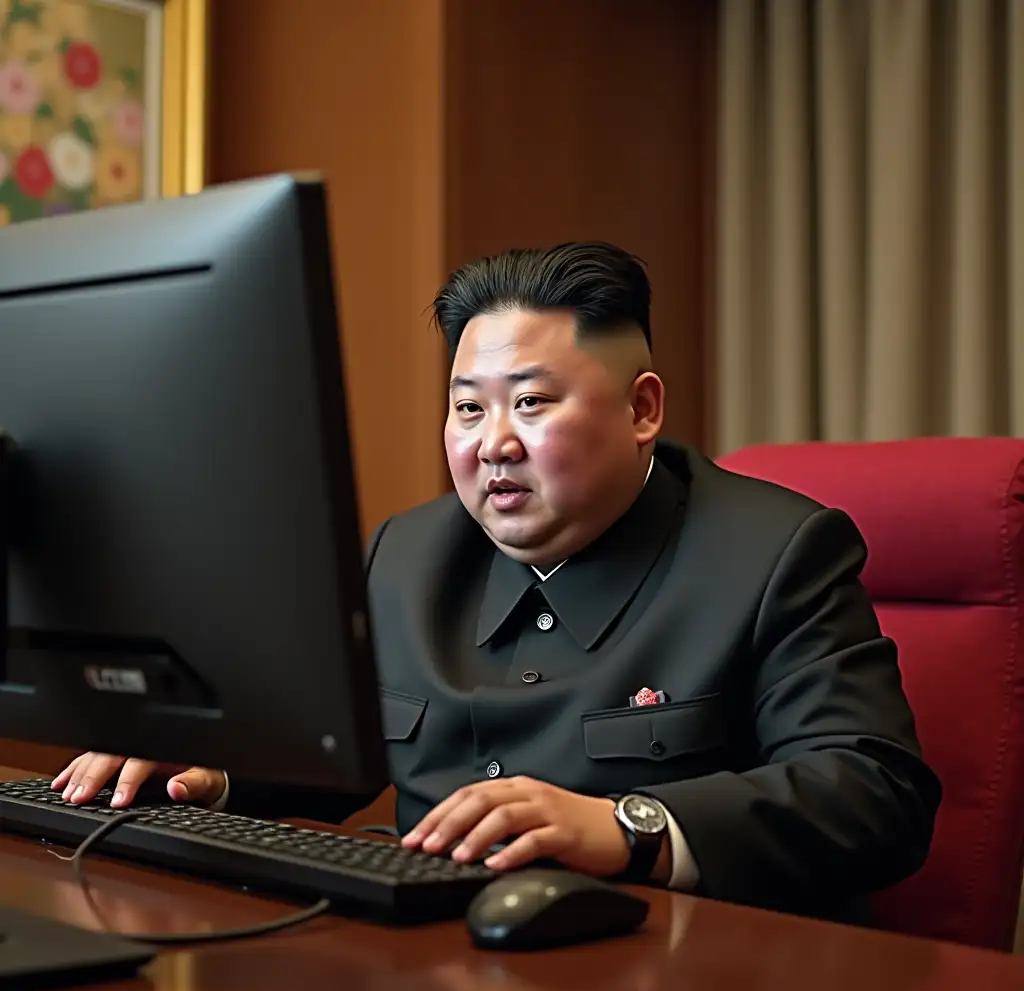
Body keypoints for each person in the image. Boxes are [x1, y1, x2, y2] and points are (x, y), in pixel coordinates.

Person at [51, 242, 941, 921]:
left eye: (532, 402)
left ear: (642, 410)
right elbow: (339, 759)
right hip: (425, 964)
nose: (493, 443)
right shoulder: (402, 554)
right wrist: (218, 771)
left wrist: (626, 827)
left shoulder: (778, 551)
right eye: (469, 407)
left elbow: (875, 794)